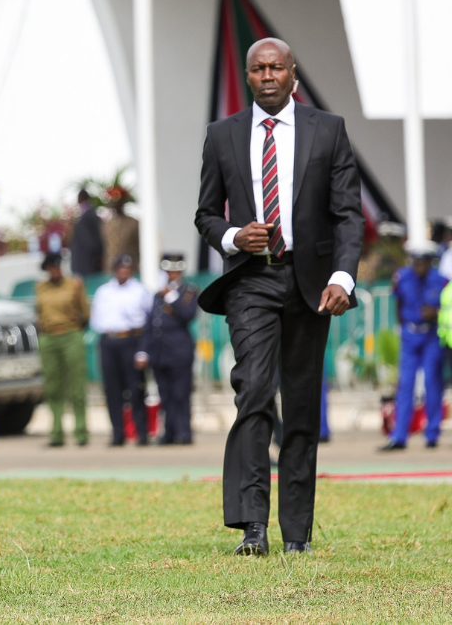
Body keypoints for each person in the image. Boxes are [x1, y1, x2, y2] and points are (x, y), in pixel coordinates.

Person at [195, 37, 363, 555]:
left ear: (293, 73)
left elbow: (348, 215)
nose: (267, 76)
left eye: (276, 67)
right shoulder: (222, 135)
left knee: (303, 405)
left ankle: (297, 535)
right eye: (257, 69)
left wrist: (344, 277)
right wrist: (232, 236)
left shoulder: (328, 130)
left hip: (313, 283)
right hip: (251, 280)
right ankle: (253, 527)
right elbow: (205, 215)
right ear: (247, 77)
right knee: (255, 393)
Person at [380, 241, 447, 451]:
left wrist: (435, 314)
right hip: (409, 335)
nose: (419, 264)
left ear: (430, 260)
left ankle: (432, 433)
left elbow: (447, 309)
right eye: (416, 260)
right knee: (405, 384)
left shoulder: (442, 281)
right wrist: (403, 328)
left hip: (432, 335)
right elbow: (398, 305)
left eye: (424, 260)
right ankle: (399, 435)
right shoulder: (402, 277)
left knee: (431, 382)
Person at [135, 253, 199, 445]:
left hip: (179, 351)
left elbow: (188, 315)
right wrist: (143, 350)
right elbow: (151, 324)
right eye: (169, 270)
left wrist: (171, 297)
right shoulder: (157, 294)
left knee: (181, 393)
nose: (172, 274)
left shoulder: (189, 291)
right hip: (160, 352)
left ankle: (184, 432)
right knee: (165, 394)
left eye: (175, 270)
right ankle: (169, 432)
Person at [90, 255, 151, 446]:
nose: (123, 272)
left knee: (135, 388)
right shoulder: (104, 291)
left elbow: (147, 324)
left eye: (127, 268)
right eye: (120, 268)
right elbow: (96, 320)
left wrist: (143, 351)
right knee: (112, 390)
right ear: (115, 270)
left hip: (131, 339)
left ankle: (141, 432)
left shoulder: (140, 291)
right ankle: (118, 433)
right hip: (108, 341)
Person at [35, 251, 90, 447]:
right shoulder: (40, 288)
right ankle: (56, 433)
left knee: (76, 386)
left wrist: (75, 329)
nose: (55, 270)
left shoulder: (74, 285)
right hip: (49, 337)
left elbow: (85, 313)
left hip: (70, 334)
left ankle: (81, 432)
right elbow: (39, 313)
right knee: (53, 387)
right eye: (51, 267)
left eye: (57, 266)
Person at [70, 190, 104, 277]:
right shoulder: (82, 217)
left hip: (89, 265)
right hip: (82, 265)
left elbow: (97, 241)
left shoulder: (90, 216)